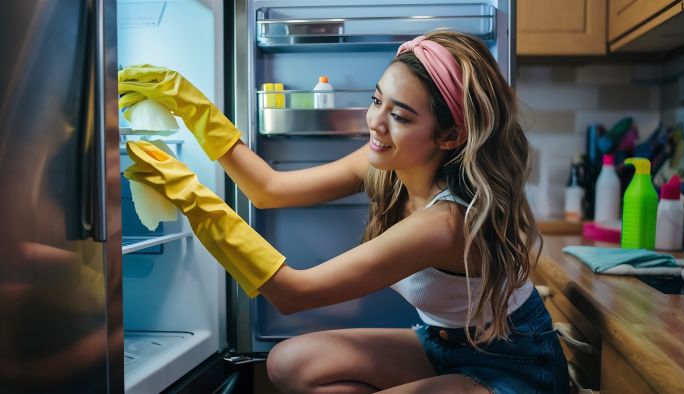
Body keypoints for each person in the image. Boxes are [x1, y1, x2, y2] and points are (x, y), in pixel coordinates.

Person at [119, 30, 569, 394]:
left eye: (401, 116)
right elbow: (269, 189)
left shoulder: (446, 223)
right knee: (288, 363)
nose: (376, 122)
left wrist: (193, 200)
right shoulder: (387, 163)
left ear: (449, 136)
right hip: (440, 343)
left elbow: (295, 293)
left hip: (516, 366)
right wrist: (195, 108)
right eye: (377, 101)